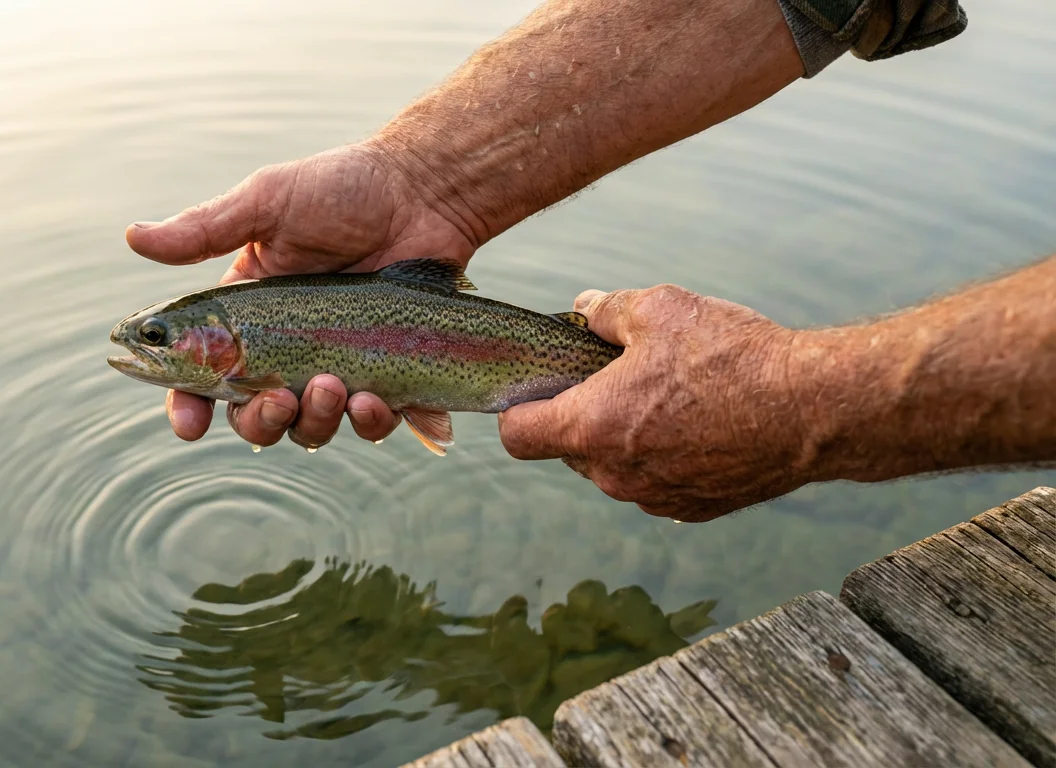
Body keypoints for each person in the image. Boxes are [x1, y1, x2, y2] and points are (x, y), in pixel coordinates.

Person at [124, 0, 1055, 522]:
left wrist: (799, 402)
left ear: (214, 340)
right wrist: (423, 179)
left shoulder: (255, 335)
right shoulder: (260, 331)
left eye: (163, 337)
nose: (150, 345)